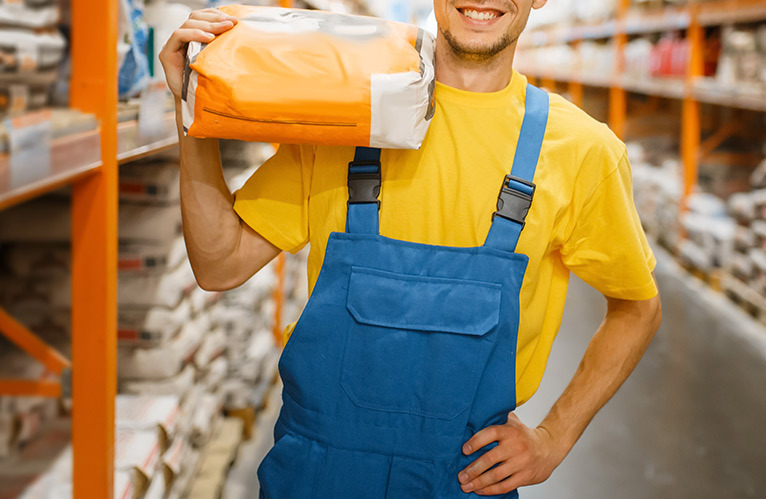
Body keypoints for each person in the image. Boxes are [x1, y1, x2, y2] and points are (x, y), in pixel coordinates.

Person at [160, 0, 662, 496]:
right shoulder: (342, 120)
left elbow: (638, 309)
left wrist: (554, 437)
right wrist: (192, 105)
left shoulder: (581, 151)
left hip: (465, 475)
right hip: (318, 471)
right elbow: (218, 264)